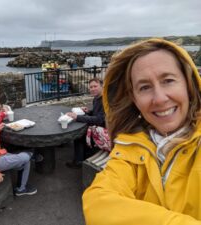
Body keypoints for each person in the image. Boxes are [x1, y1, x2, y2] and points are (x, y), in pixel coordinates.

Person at [83, 38, 201, 224]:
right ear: (134, 100)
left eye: (168, 80)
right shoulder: (129, 147)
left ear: (188, 85)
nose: (160, 99)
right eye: (144, 87)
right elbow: (97, 200)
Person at [65, 78, 110, 169]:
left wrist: (77, 117)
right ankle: (84, 156)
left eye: (95, 86)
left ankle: (78, 161)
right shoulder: (97, 98)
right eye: (91, 87)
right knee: (83, 131)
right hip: (101, 126)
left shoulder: (105, 100)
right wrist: (88, 111)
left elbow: (99, 119)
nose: (93, 89)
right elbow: (97, 113)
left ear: (102, 86)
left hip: (106, 132)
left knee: (79, 135)